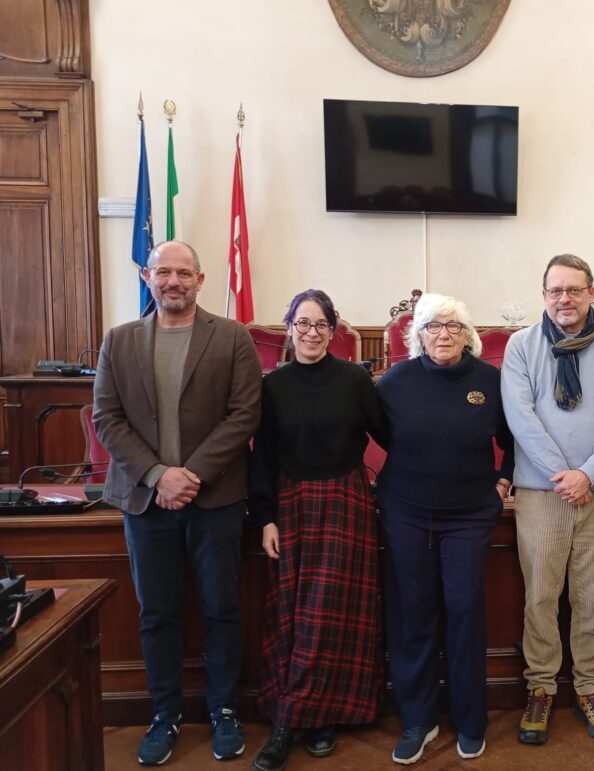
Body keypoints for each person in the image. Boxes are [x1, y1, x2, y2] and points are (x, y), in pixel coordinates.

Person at [92, 240, 262, 765]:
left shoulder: (232, 337)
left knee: (222, 609)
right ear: (147, 276)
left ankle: (224, 711)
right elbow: (106, 418)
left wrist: (191, 475)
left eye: (183, 272)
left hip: (216, 500)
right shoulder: (118, 341)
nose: (173, 281)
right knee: (157, 613)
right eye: (163, 271)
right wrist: (158, 475)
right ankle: (163, 715)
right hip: (145, 501)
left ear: (200, 279)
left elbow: (244, 414)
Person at [501, 254, 594, 745]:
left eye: (574, 290)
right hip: (541, 494)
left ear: (590, 292)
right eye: (556, 290)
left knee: (593, 599)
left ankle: (588, 687)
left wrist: (589, 473)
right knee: (540, 598)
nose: (565, 299)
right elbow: (520, 418)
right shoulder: (520, 346)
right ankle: (540, 688)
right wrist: (565, 475)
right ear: (544, 296)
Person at [249, 290, 385, 770]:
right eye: (302, 323)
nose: (311, 332)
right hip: (289, 505)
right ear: (289, 328)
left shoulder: (355, 380)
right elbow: (261, 456)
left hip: (346, 503)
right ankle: (294, 714)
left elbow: (392, 437)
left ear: (334, 330)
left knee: (331, 612)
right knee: (290, 614)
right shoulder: (273, 385)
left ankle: (314, 716)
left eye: (321, 325)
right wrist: (264, 516)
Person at [375, 293, 515, 765]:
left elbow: (513, 438)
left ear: (468, 335)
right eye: (434, 326)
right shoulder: (395, 381)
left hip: (470, 514)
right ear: (418, 334)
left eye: (454, 327)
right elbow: (377, 435)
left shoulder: (489, 381)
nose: (444, 335)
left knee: (464, 609)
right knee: (413, 612)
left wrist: (502, 482)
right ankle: (418, 718)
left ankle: (470, 718)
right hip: (406, 511)